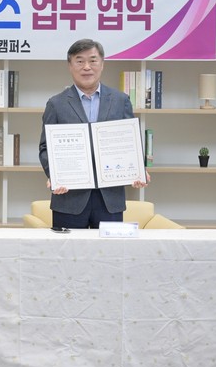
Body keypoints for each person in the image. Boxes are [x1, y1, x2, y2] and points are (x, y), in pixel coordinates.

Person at [38, 38, 148, 229]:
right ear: (70, 66)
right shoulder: (56, 104)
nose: (87, 67)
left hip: (110, 198)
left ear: (102, 64)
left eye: (93, 60)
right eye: (80, 61)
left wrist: (138, 169)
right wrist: (55, 175)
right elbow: (45, 147)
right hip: (69, 198)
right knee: (69, 248)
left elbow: (131, 142)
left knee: (109, 248)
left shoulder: (121, 100)